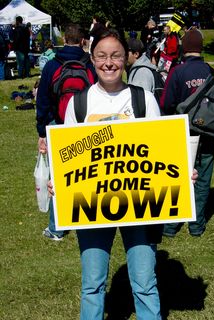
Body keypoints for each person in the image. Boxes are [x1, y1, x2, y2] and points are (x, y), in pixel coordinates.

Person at [64, 28, 162, 320]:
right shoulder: (79, 103)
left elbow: (160, 151)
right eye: (102, 56)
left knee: (145, 284)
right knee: (92, 285)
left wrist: (181, 174)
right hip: (92, 205)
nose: (109, 62)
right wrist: (60, 182)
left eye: (116, 56)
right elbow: (68, 156)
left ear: (126, 59)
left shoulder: (144, 99)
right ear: (92, 60)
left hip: (139, 203)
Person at [36, 23, 96, 241]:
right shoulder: (89, 65)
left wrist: (42, 131)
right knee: (88, 172)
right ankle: (88, 219)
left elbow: (42, 100)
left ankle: (56, 228)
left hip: (57, 123)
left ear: (63, 41)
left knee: (58, 178)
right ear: (83, 42)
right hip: (85, 124)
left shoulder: (52, 65)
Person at [160, 29, 214, 237]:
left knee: (177, 177)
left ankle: (170, 226)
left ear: (184, 47)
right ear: (201, 48)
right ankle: (196, 225)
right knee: (203, 178)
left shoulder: (178, 72)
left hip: (183, 131)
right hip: (208, 129)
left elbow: (165, 103)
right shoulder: (211, 72)